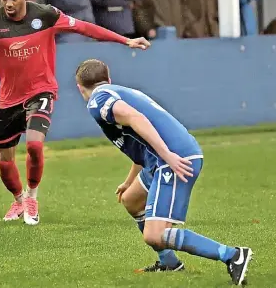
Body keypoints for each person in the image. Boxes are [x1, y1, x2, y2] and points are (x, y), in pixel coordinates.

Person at [0, 0, 151, 226]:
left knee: (34, 145)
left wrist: (125, 40)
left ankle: (32, 197)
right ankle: (18, 199)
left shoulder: (45, 15)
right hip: (9, 99)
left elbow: (85, 27)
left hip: (41, 91)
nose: (9, 4)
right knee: (4, 162)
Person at [74, 59, 253, 286]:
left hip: (174, 159)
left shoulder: (97, 101)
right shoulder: (117, 91)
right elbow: (141, 141)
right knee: (131, 200)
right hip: (163, 159)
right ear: (108, 79)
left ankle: (232, 255)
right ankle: (169, 262)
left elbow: (136, 119)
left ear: (80, 87)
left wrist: (167, 155)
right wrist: (129, 180)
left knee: (154, 235)